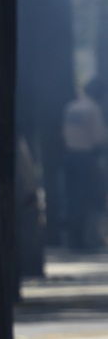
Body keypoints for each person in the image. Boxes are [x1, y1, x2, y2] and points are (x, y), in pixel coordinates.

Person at [61, 78, 108, 251]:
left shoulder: (71, 107)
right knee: (89, 198)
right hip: (87, 158)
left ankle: (73, 240)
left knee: (72, 199)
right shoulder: (93, 109)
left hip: (70, 157)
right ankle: (85, 241)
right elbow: (98, 137)